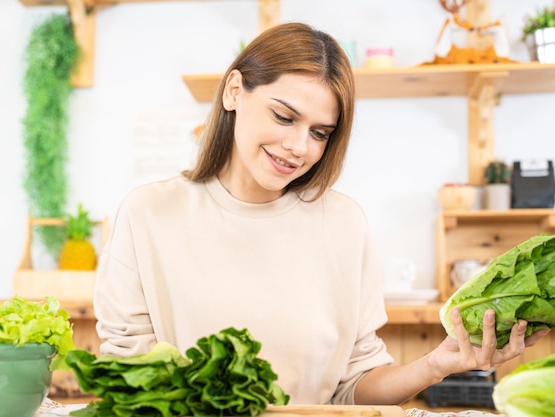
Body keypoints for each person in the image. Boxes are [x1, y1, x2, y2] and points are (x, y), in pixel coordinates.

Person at [93, 22, 548, 406]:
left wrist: (435, 366)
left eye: (320, 132)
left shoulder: (345, 224)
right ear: (235, 91)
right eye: (284, 117)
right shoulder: (149, 214)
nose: (299, 147)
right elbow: (130, 378)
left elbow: (354, 387)